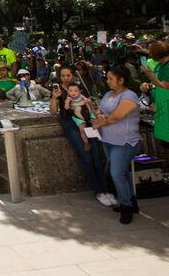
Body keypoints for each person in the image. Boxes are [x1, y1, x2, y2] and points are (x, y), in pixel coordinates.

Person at [49, 65, 115, 207]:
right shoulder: (58, 91)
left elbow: (90, 106)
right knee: (85, 156)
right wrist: (54, 98)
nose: (65, 78)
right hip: (71, 124)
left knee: (97, 156)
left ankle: (107, 190)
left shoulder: (80, 88)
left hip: (89, 123)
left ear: (73, 75)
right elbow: (53, 112)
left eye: (68, 75)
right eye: (63, 76)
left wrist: (96, 116)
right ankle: (98, 191)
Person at [94, 66, 141, 224]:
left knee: (116, 174)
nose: (108, 82)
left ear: (121, 80)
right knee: (123, 173)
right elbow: (100, 111)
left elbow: (118, 116)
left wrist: (102, 120)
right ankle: (131, 201)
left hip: (125, 142)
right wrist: (98, 116)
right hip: (108, 140)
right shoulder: (108, 94)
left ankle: (126, 207)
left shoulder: (130, 96)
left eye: (111, 79)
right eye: (107, 78)